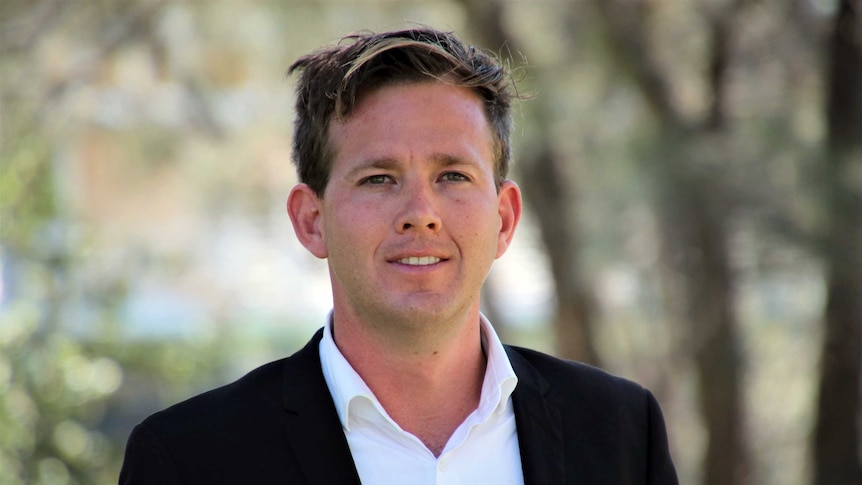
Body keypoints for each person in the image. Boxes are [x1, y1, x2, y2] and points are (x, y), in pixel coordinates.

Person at [119, 27, 679, 484]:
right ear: (311, 221)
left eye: (453, 175)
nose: (421, 212)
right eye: (379, 178)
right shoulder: (188, 461)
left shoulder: (621, 432)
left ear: (504, 219)